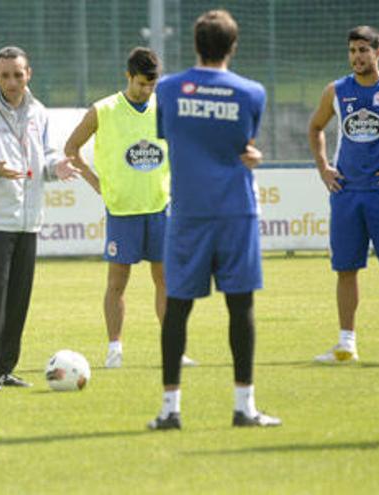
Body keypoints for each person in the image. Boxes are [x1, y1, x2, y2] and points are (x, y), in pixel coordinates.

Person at [147, 9, 281, 430]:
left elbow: (167, 134)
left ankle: (170, 409)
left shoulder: (167, 89)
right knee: (240, 306)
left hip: (188, 211)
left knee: (178, 308)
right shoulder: (252, 92)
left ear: (195, 45)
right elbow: (246, 144)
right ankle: (244, 407)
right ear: (233, 46)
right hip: (236, 210)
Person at [63, 47, 195, 369]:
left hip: (159, 208)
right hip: (122, 212)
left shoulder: (165, 109)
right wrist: (98, 185)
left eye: (151, 85)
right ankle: (114, 349)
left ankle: (172, 349)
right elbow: (71, 149)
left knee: (165, 280)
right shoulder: (103, 110)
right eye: (140, 84)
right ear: (128, 76)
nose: (146, 90)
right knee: (117, 283)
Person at [0, 46, 78, 391]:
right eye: (5, 76)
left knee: (18, 298)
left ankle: (4, 368)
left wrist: (56, 167)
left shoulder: (39, 113)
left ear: (29, 74)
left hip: (30, 220)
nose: (11, 82)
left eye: (18, 74)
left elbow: (43, 157)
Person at [307, 26, 379, 364]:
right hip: (346, 193)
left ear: (378, 53)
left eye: (364, 50)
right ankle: (346, 343)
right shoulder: (336, 91)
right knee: (346, 269)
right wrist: (324, 167)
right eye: (353, 51)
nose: (357, 57)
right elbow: (315, 128)